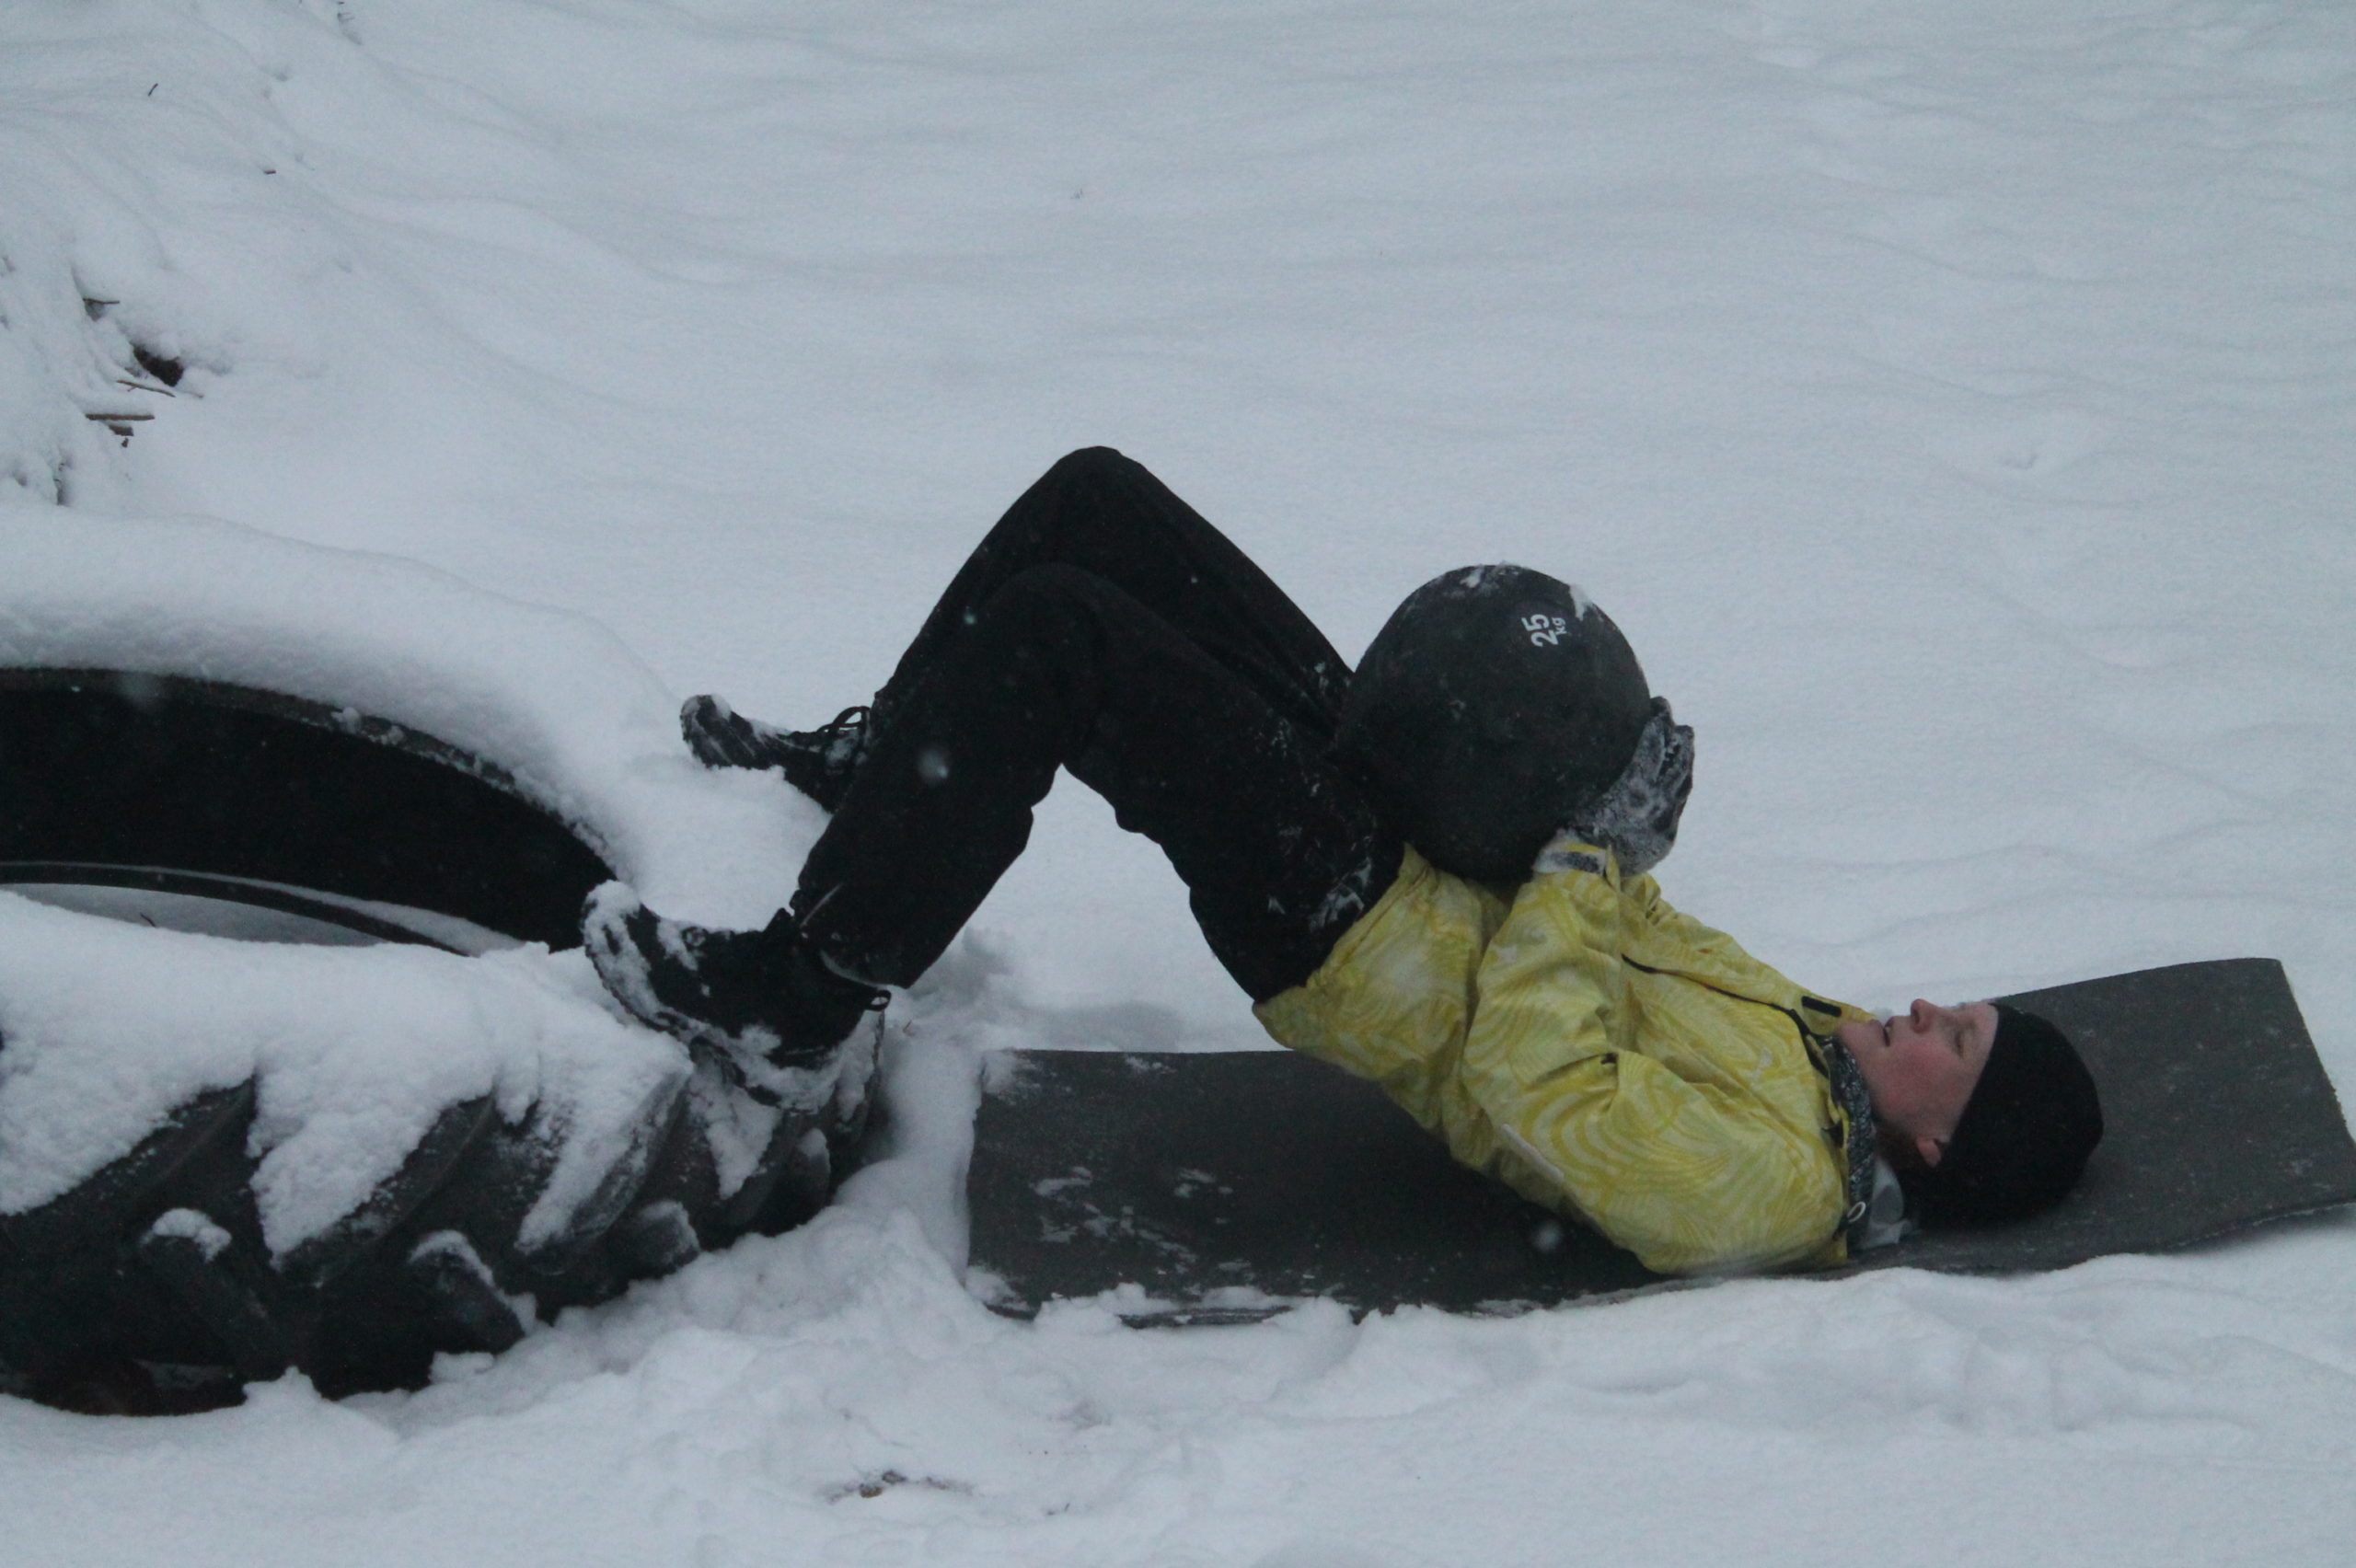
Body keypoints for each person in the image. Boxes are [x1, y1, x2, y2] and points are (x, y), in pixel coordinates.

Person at [584, 447, 2103, 1275]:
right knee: (1099, 504)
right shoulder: (1809, 1037)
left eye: (1955, 1042)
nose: (1926, 1008)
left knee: (1064, 638)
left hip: (1356, 935)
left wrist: (1587, 857)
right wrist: (1617, 805)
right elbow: (1619, 932)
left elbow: (1536, 1077)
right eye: (1960, 1009)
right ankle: (901, 765)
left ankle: (805, 991)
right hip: (1427, 850)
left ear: (1939, 1149)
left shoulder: (1769, 1188)